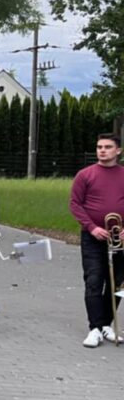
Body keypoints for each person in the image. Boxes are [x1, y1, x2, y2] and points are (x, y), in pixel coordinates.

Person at [69, 133, 124, 348]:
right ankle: (94, 328)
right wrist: (92, 227)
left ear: (118, 151)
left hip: (119, 237)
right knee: (94, 280)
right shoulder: (85, 175)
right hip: (93, 237)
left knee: (117, 282)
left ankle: (106, 324)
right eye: (99, 147)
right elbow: (75, 204)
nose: (102, 150)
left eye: (108, 147)